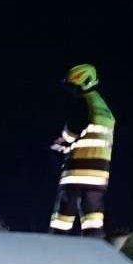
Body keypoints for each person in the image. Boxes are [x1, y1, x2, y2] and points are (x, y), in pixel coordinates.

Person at [49, 64, 115, 238]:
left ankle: (55, 255)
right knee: (93, 222)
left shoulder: (84, 103)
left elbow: (72, 132)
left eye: (72, 87)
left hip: (77, 172)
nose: (71, 92)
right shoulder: (104, 108)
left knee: (61, 222)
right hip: (99, 175)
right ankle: (96, 255)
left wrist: (58, 144)